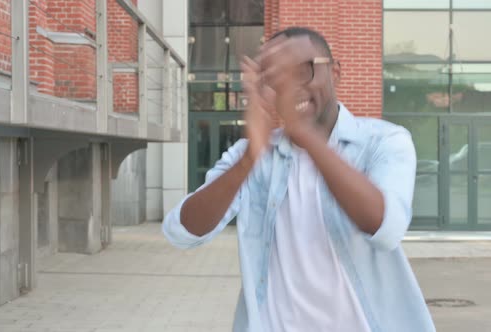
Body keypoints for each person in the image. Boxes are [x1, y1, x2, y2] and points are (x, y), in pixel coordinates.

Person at [162, 27, 435, 332]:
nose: (289, 88)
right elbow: (181, 231)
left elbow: (387, 228)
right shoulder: (253, 155)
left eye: (302, 71)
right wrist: (251, 157)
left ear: (335, 73)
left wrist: (304, 132)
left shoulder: (384, 142)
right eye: (275, 78)